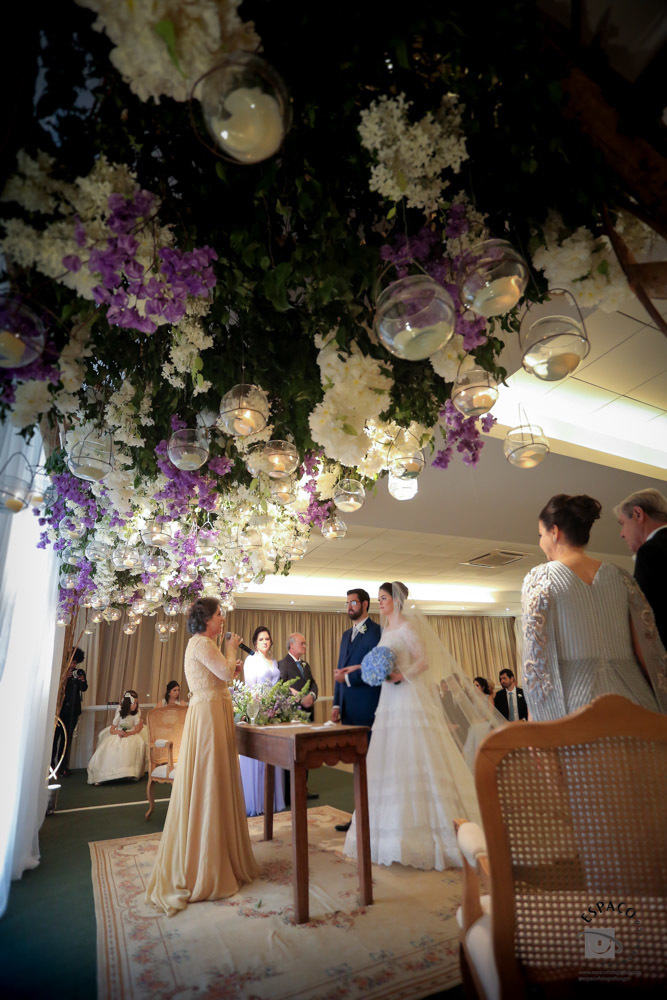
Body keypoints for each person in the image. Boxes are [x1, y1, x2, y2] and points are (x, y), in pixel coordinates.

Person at [343, 582, 493, 871]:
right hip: (389, 700)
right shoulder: (386, 630)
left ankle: (440, 832)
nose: (381, 603)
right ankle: (387, 834)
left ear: (397, 600)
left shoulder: (408, 628)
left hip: (408, 696)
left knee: (418, 752)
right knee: (390, 757)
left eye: (384, 598)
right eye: (379, 599)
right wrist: (368, 672)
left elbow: (423, 661)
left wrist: (401, 675)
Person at [146, 598, 258, 916]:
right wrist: (233, 647)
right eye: (220, 615)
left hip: (214, 710)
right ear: (207, 619)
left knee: (218, 778)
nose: (223, 619)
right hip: (208, 714)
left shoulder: (203, 643)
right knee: (210, 778)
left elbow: (223, 675)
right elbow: (224, 671)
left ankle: (221, 850)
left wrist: (230, 661)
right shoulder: (201, 643)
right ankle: (206, 862)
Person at [521, 494, 667, 722]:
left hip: (574, 707)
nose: (540, 543)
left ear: (554, 532)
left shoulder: (540, 579)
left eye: (541, 535)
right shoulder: (621, 577)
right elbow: (648, 651)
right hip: (635, 703)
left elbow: (537, 663)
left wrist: (535, 723)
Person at [332, 588, 382, 832]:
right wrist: (336, 703)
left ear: (365, 605)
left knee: (372, 766)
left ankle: (370, 818)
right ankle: (358, 816)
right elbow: (340, 669)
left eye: (353, 602)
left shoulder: (377, 632)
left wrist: (349, 681)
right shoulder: (344, 635)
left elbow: (375, 670)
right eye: (347, 602)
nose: (349, 606)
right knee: (357, 766)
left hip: (368, 708)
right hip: (349, 710)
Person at [238, 626, 286, 816]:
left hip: (273, 711)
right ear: (255, 643)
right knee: (258, 757)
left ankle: (273, 801)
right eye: (261, 639)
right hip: (257, 710)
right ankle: (256, 802)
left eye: (267, 638)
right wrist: (258, 707)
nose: (265, 642)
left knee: (272, 755)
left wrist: (275, 706)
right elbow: (250, 687)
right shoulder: (251, 660)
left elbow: (277, 686)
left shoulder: (273, 661)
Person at [614, 488, 667, 649]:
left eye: (622, 523)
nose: (621, 534)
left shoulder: (651, 551)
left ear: (638, 514)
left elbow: (643, 618)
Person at [278, 633, 319, 801]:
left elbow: (314, 684)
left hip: (308, 714)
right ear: (291, 645)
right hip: (292, 715)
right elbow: (280, 687)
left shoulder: (305, 664)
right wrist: (296, 695)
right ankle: (289, 793)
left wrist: (311, 696)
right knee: (292, 754)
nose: (304, 645)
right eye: (302, 643)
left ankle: (303, 788)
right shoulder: (282, 664)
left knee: (306, 753)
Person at [87, 690, 145, 784]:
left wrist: (128, 734)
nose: (135, 705)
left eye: (136, 703)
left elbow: (138, 728)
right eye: (133, 703)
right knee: (110, 747)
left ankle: (128, 773)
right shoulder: (120, 710)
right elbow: (112, 729)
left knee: (131, 745)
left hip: (131, 733)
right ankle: (106, 774)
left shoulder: (136, 712)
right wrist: (120, 732)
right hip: (119, 733)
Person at [52, 647, 87, 777]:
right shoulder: (60, 672)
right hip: (59, 711)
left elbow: (84, 688)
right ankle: (51, 766)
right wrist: (63, 678)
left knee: (67, 740)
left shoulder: (78, 673)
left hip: (73, 711)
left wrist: (82, 679)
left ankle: (63, 767)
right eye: (72, 662)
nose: (73, 665)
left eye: (75, 663)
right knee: (55, 739)